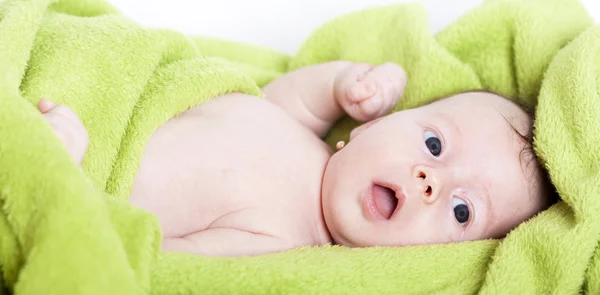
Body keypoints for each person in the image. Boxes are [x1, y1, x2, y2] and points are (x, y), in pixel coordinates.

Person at [36, 61, 554, 256]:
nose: (429, 179)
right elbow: (300, 94)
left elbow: (157, 253)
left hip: (85, 171)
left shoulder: (285, 241)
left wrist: (72, 185)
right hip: (99, 102)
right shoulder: (297, 126)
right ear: (375, 125)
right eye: (434, 145)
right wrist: (355, 83)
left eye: (462, 211)